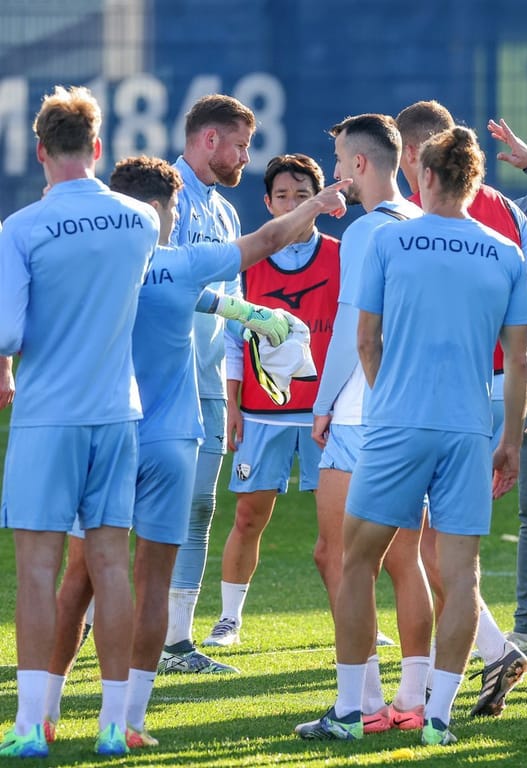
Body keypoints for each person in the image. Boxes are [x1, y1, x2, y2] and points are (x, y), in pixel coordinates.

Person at [44, 155, 347, 750]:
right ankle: (127, 723)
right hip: (172, 440)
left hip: (104, 434)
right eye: (176, 208)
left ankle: (43, 712)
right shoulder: (181, 265)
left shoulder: (90, 268)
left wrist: (246, 310)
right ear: (157, 209)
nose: (179, 217)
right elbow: (266, 240)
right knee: (152, 581)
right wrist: (317, 203)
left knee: (77, 578)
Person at [295, 124, 527, 747]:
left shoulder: (388, 243)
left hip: (396, 424)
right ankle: (440, 718)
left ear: (422, 174)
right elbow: (519, 360)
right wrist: (509, 440)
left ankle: (351, 711)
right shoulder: (504, 253)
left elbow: (364, 339)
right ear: (476, 182)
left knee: (357, 563)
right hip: (466, 432)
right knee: (461, 575)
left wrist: (388, 391)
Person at [0, 85, 160, 758]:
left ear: (40, 150)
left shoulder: (20, 228)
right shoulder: (140, 220)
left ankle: (33, 726)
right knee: (112, 567)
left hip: (48, 416)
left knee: (37, 570)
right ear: (97, 148)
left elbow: (8, 333)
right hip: (116, 412)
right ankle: (111, 727)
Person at [394, 98, 527, 713]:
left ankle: (446, 677)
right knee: (437, 542)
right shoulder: (504, 211)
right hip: (500, 389)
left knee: (429, 545)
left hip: (454, 393)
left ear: (415, 157)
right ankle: (485, 655)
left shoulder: (422, 220)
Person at [303, 113, 432, 734]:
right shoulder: (427, 224)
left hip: (359, 412)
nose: (334, 176)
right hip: (415, 413)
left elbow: (357, 331)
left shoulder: (363, 234)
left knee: (338, 557)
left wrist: (322, 404)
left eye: (337, 162)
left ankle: (358, 702)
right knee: (407, 560)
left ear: (360, 163)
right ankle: (412, 700)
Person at [203, 154, 339, 649]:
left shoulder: (344, 256)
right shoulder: (248, 259)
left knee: (341, 527)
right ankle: (229, 619)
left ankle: (353, 619)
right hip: (263, 414)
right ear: (267, 202)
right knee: (247, 517)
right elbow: (236, 341)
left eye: (302, 196)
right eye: (282, 196)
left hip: (327, 415)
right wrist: (234, 404)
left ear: (320, 202)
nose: (291, 204)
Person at [161, 94, 257, 676]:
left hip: (210, 385)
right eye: (241, 145)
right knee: (127, 509)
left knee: (199, 509)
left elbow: (236, 304)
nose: (247, 156)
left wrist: (245, 366)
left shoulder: (225, 211)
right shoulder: (162, 195)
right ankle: (98, 618)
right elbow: (162, 283)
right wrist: (241, 310)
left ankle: (177, 642)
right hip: (162, 381)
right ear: (211, 140)